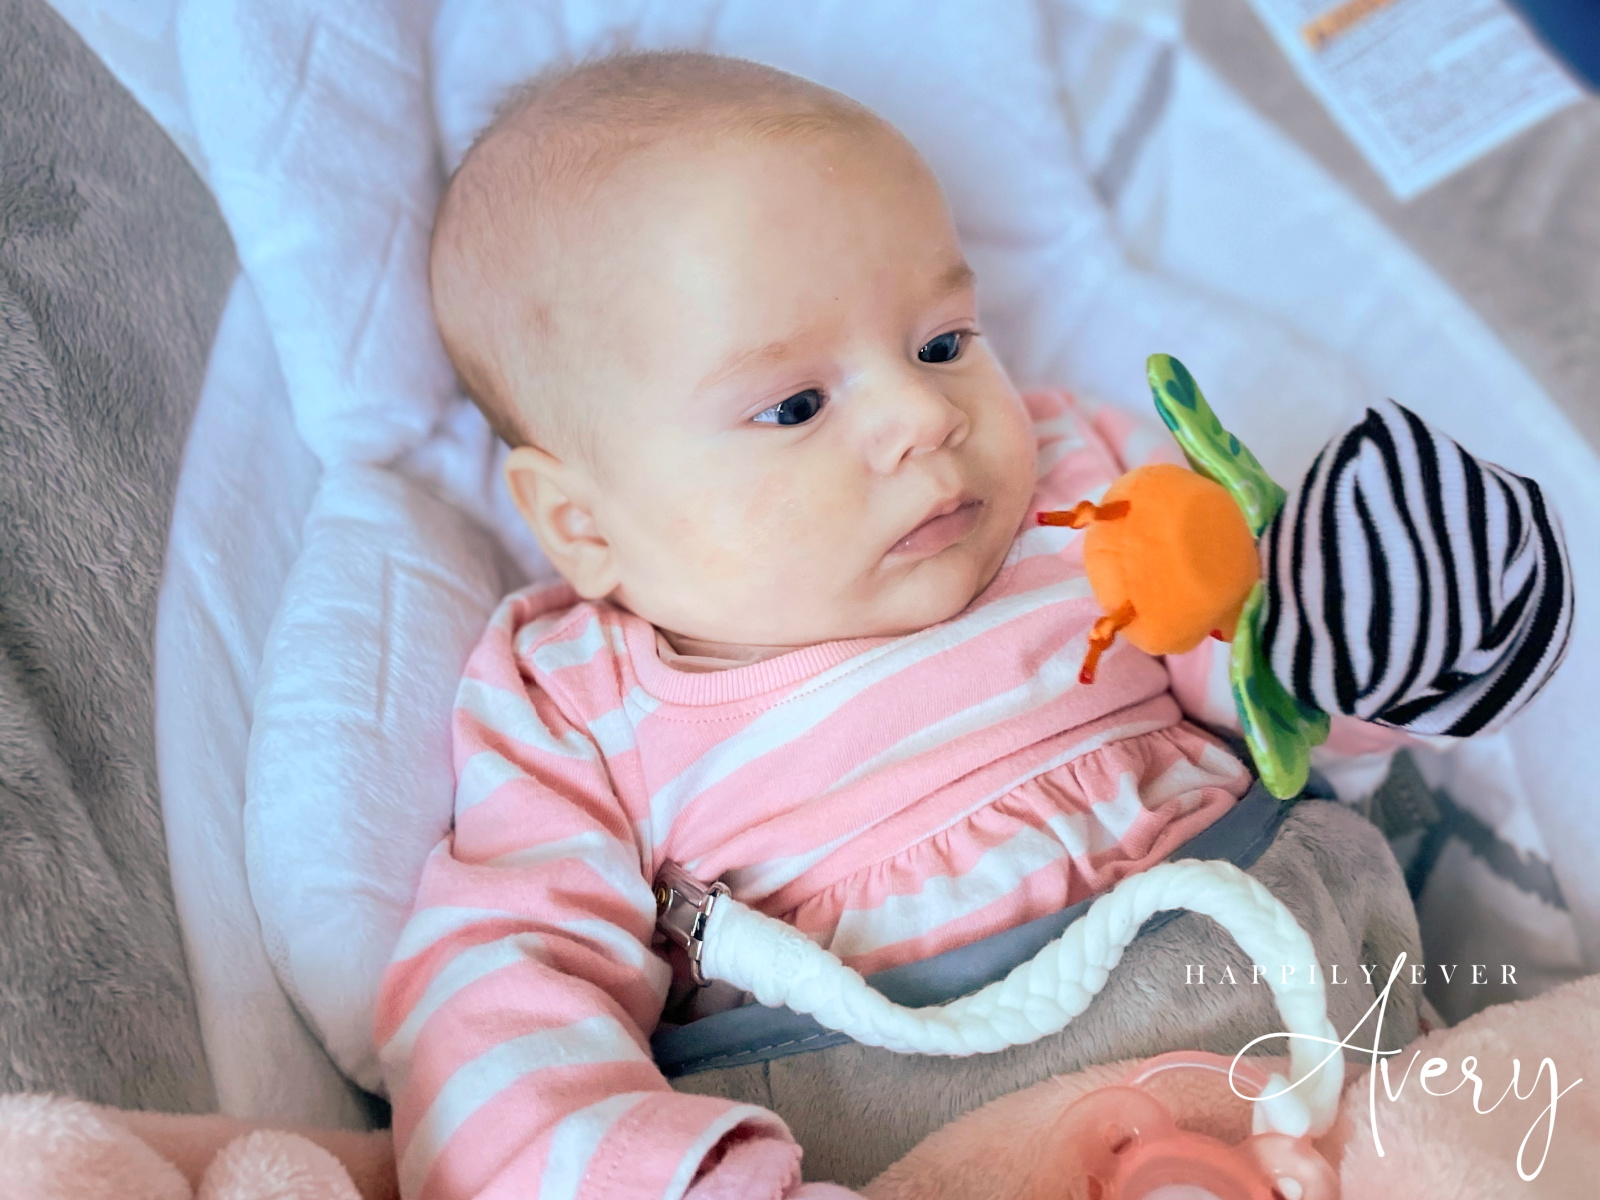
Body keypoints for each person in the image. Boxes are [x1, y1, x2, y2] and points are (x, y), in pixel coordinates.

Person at [378, 49, 1270, 1200]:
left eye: (944, 342)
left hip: (1291, 1018)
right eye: (795, 404)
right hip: (921, 1148)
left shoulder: (1078, 485)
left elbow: (1283, 674)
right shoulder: (579, 698)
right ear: (582, 523)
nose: (921, 415)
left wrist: (1361, 635)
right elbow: (497, 998)